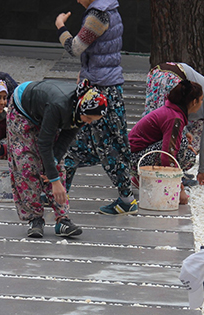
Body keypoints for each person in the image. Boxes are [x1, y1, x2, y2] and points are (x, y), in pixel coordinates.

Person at [55, 0, 138, 216]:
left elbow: (75, 48)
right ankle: (58, 193)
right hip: (100, 83)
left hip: (103, 90)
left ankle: (127, 199)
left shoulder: (98, 15)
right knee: (73, 143)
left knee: (109, 145)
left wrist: (60, 26)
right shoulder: (109, 9)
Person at [6, 79, 107, 238]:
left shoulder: (80, 111)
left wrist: (52, 166)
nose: (88, 123)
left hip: (46, 110)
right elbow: (44, 143)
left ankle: (63, 219)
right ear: (81, 108)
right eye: (88, 119)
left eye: (92, 121)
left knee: (57, 165)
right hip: (23, 108)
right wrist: (54, 180)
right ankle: (35, 218)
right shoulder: (59, 106)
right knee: (26, 163)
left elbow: (63, 142)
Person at [144, 62, 204, 187]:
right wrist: (203, 170)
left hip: (157, 73)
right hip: (172, 80)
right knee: (170, 132)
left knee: (154, 121)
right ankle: (166, 175)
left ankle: (149, 167)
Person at [128, 80, 203, 205]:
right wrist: (178, 189)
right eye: (201, 100)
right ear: (194, 102)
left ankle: (143, 178)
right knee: (181, 145)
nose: (201, 103)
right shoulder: (175, 118)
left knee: (187, 152)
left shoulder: (172, 111)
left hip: (135, 155)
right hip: (134, 160)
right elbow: (167, 156)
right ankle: (145, 177)